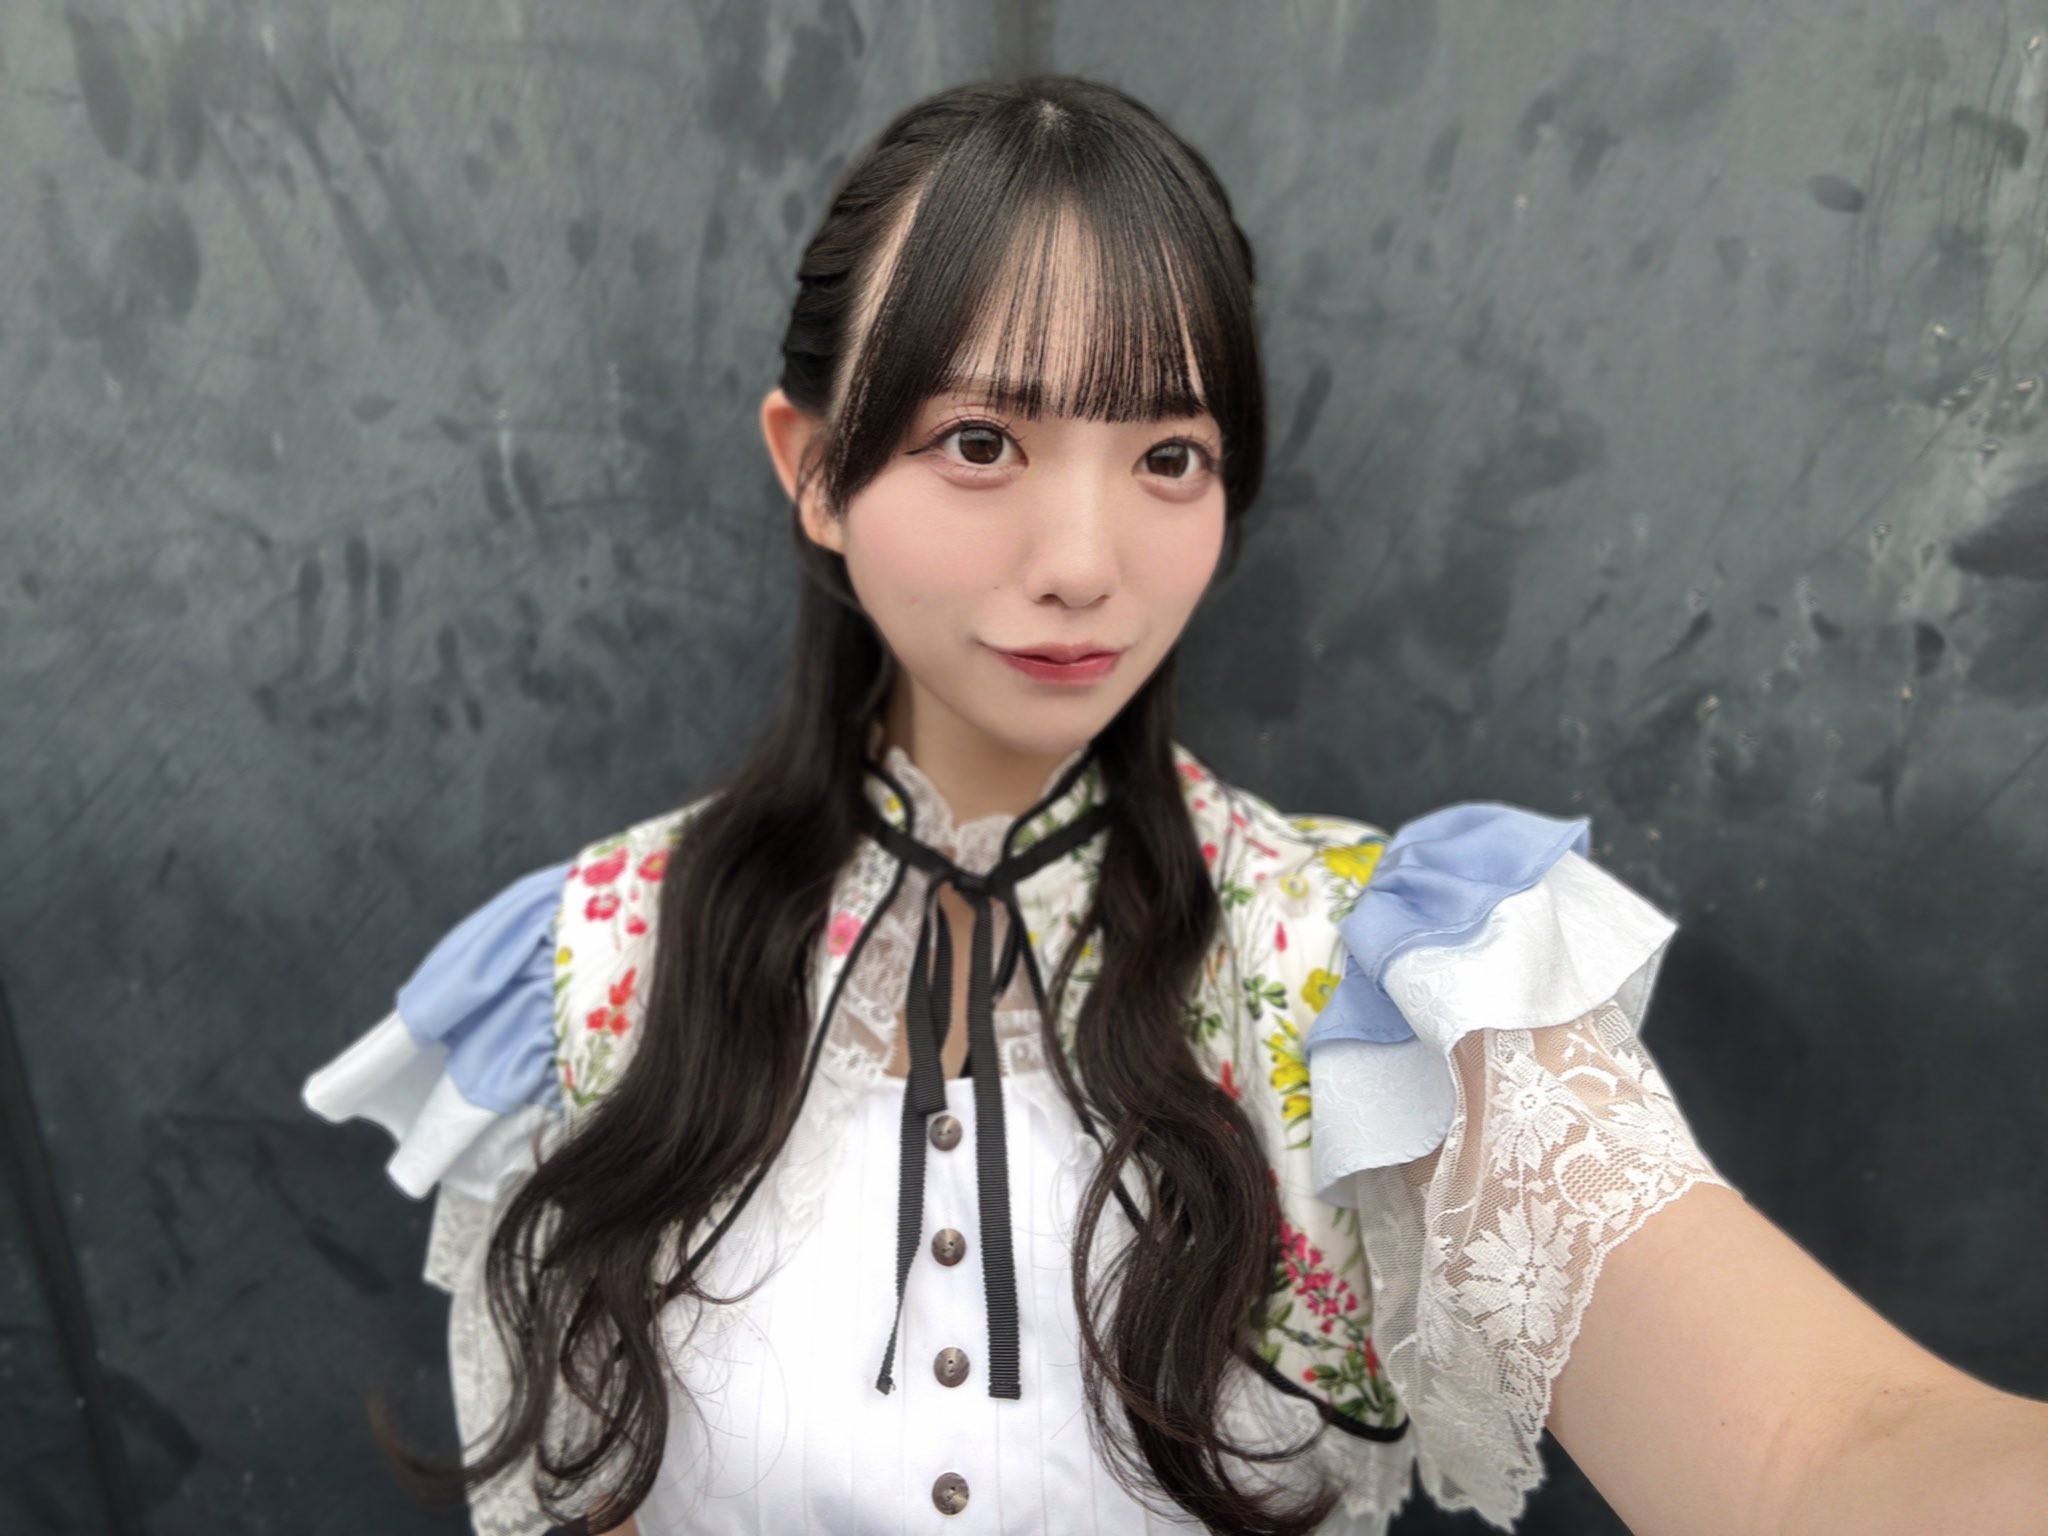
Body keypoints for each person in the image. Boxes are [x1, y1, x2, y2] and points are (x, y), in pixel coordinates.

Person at [300, 75, 2048, 1536]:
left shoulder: (1366, 981)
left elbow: (1825, 1448)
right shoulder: (594, 966)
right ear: (813, 468)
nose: (1086, 562)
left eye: (1168, 457)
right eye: (981, 443)